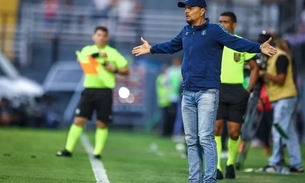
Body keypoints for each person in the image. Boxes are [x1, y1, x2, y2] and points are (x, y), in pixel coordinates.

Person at [131, 0, 277, 182]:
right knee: (191, 140)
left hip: (208, 92)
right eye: (185, 8)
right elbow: (171, 45)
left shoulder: (215, 30)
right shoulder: (186, 31)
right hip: (188, 92)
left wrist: (258, 48)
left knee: (206, 138)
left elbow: (234, 42)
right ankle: (195, 180)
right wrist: (151, 48)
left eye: (190, 8)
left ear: (202, 11)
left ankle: (209, 180)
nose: (186, 11)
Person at [56, 26, 129, 159]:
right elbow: (81, 60)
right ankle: (68, 149)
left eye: (104, 35)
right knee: (79, 120)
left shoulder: (113, 53)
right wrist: (95, 57)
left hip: (105, 91)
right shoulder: (88, 50)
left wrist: (115, 69)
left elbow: (126, 70)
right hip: (89, 89)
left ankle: (97, 152)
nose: (101, 38)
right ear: (93, 36)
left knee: (102, 122)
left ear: (107, 38)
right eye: (99, 35)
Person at [213, 12, 259, 179]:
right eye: (220, 22)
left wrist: (248, 90)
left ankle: (230, 163)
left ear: (234, 24)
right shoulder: (215, 42)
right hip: (218, 89)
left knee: (234, 132)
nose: (222, 24)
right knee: (216, 129)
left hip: (237, 91)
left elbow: (255, 68)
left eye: (226, 22)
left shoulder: (240, 43)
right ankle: (217, 166)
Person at [258, 33, 304, 173]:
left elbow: (281, 79)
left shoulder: (280, 56)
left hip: (285, 98)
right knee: (289, 132)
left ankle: (275, 163)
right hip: (280, 98)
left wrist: (263, 74)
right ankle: (296, 164)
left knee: (277, 128)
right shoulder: (272, 57)